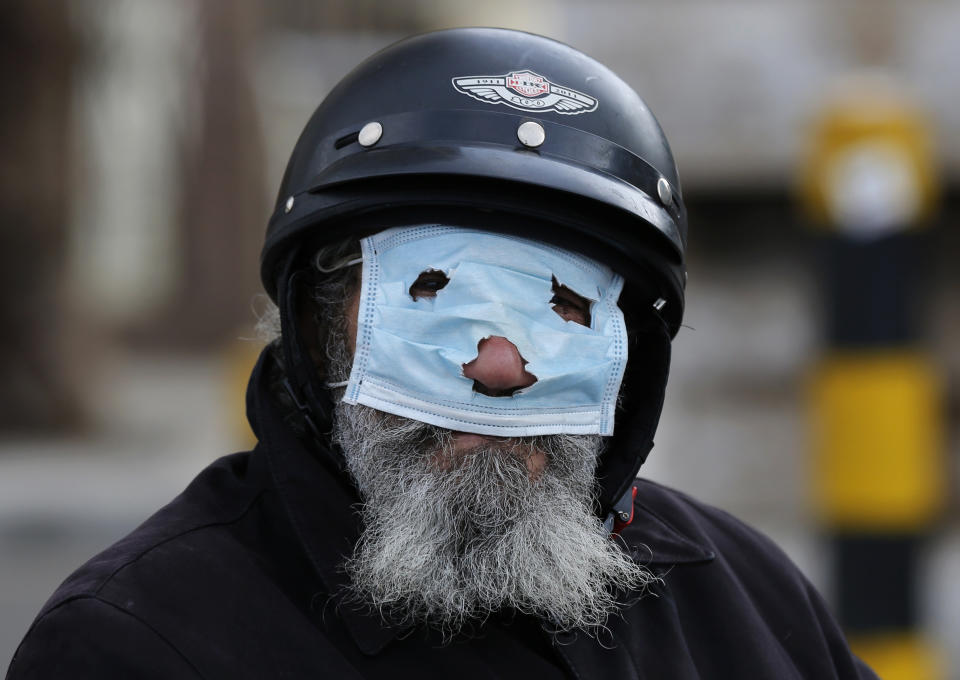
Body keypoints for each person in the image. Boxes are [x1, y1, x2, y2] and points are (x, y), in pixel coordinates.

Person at [7, 28, 877, 679]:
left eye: (564, 306)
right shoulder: (139, 643)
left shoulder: (747, 603)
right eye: (430, 294)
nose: (499, 369)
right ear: (318, 328)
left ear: (629, 350)